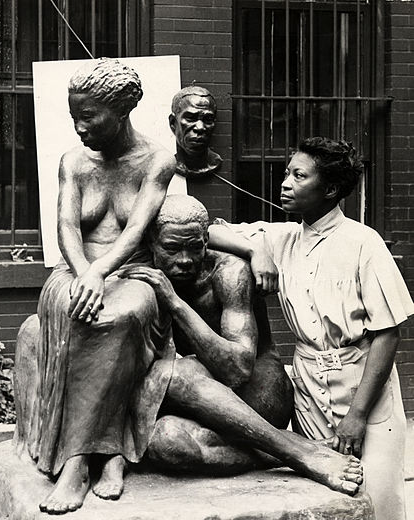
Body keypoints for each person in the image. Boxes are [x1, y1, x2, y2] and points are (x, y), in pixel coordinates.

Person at [208, 137, 413, 520]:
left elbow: (388, 334)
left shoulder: (363, 242)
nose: (285, 183)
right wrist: (253, 249)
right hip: (308, 391)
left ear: (331, 190)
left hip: (365, 389)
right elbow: (202, 231)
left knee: (379, 507)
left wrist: (356, 417)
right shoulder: (282, 238)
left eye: (299, 176)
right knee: (324, 506)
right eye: (287, 172)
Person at [15, 57, 176, 515]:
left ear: (122, 110)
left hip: (133, 273)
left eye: (89, 117)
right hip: (75, 268)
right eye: (74, 117)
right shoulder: (73, 161)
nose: (80, 127)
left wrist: (102, 272)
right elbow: (66, 226)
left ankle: (82, 461)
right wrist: (86, 270)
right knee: (74, 308)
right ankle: (101, 458)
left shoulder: (157, 160)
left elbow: (136, 229)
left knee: (119, 316)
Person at [120, 194, 364, 495]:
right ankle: (290, 448)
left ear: (206, 241)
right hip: (202, 394)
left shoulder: (229, 273)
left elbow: (238, 368)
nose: (184, 260)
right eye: (172, 249)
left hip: (259, 393)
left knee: (173, 374)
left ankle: (301, 456)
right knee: (164, 442)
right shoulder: (141, 268)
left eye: (195, 248)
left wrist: (175, 304)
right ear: (151, 243)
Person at [169, 86, 222, 178]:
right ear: (173, 123)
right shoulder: (165, 164)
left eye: (208, 119)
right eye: (191, 118)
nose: (200, 127)